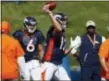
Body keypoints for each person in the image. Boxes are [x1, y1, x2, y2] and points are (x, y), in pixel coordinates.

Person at [41, 4, 72, 81]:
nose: (65, 22)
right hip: (49, 63)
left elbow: (62, 53)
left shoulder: (62, 34)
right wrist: (50, 13)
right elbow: (58, 28)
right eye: (63, 20)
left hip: (58, 65)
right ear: (58, 20)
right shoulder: (54, 30)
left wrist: (72, 47)